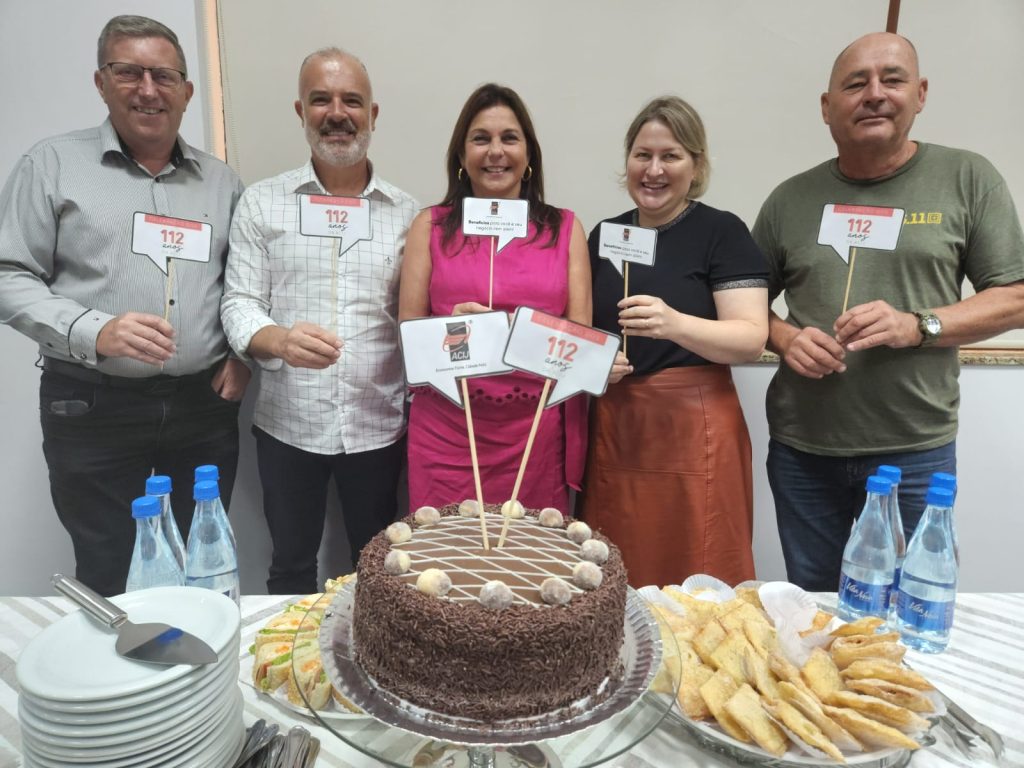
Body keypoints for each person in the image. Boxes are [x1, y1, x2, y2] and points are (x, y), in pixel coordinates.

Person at [752, 32, 1024, 591]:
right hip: (805, 450)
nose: (874, 94)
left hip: (915, 451)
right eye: (855, 84)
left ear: (920, 94)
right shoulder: (789, 199)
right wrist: (783, 337)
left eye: (892, 79)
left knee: (909, 612)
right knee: (816, 612)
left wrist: (917, 326)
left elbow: (1014, 296)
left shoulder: (968, 179)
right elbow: (744, 302)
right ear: (827, 108)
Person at [0, 15, 248, 597]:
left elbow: (244, 285)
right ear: (101, 81)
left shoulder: (221, 183)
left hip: (201, 409)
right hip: (91, 406)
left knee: (204, 569)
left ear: (187, 91)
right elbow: (8, 273)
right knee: (111, 569)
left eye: (164, 76)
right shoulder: (53, 165)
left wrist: (243, 354)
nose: (147, 89)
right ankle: (119, 688)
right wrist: (92, 330)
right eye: (128, 72)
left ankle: (199, 686)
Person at [221, 48, 418, 594]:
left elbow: (421, 311)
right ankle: (289, 669)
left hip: (379, 424)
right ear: (300, 110)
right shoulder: (263, 203)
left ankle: (369, 671)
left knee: (380, 570)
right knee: (289, 565)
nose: (337, 113)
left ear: (373, 114)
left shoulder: (408, 214)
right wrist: (277, 339)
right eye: (321, 100)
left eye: (351, 101)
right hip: (289, 426)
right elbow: (238, 302)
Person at [579, 97, 769, 588]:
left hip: (694, 424)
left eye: (671, 156)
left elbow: (751, 339)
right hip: (617, 423)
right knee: (614, 567)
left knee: (698, 569)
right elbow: (578, 329)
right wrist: (596, 361)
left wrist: (675, 323)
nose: (654, 169)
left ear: (696, 165)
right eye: (643, 155)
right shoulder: (605, 234)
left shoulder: (722, 232)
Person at [399, 83, 591, 513]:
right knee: (443, 563)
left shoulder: (565, 229)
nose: (495, 151)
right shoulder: (428, 226)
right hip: (447, 429)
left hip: (533, 432)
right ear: (462, 156)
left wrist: (512, 334)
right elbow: (409, 342)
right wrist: (456, 330)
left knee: (530, 564)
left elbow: (579, 344)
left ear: (529, 155)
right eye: (481, 138)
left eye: (509, 138)